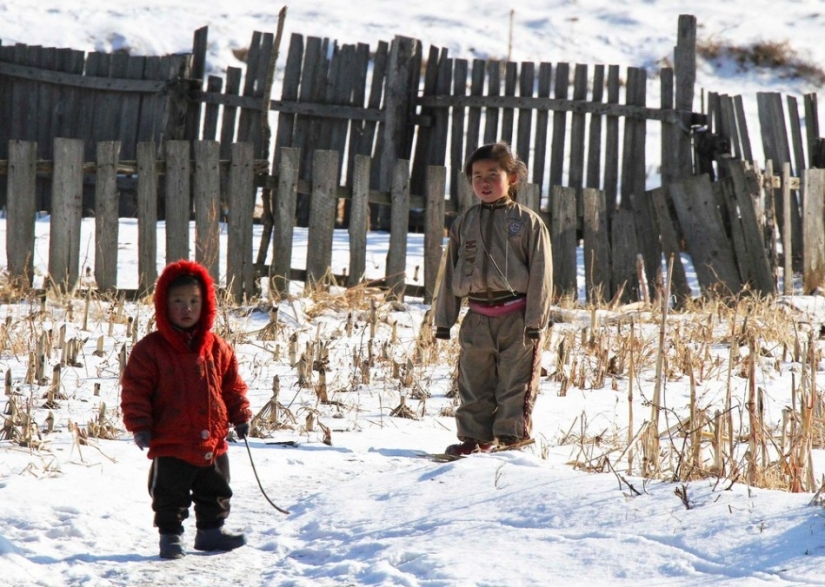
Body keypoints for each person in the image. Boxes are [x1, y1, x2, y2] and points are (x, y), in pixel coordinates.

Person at [121, 260, 253, 560]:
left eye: (194, 301)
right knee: (169, 491)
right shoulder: (150, 350)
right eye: (178, 301)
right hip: (171, 438)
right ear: (163, 305)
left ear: (205, 304)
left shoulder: (218, 348)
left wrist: (240, 414)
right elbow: (135, 391)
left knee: (216, 487)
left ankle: (211, 532)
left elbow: (231, 386)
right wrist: (140, 425)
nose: (186, 308)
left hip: (213, 440)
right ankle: (170, 537)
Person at [434, 142, 553, 456]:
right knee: (474, 383)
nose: (483, 182)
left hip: (517, 318)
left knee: (515, 384)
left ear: (512, 178)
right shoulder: (464, 223)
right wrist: (444, 320)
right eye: (476, 176)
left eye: (492, 174)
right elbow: (449, 275)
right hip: (477, 319)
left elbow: (542, 275)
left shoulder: (527, 222)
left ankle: (512, 438)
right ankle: (474, 438)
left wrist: (535, 323)